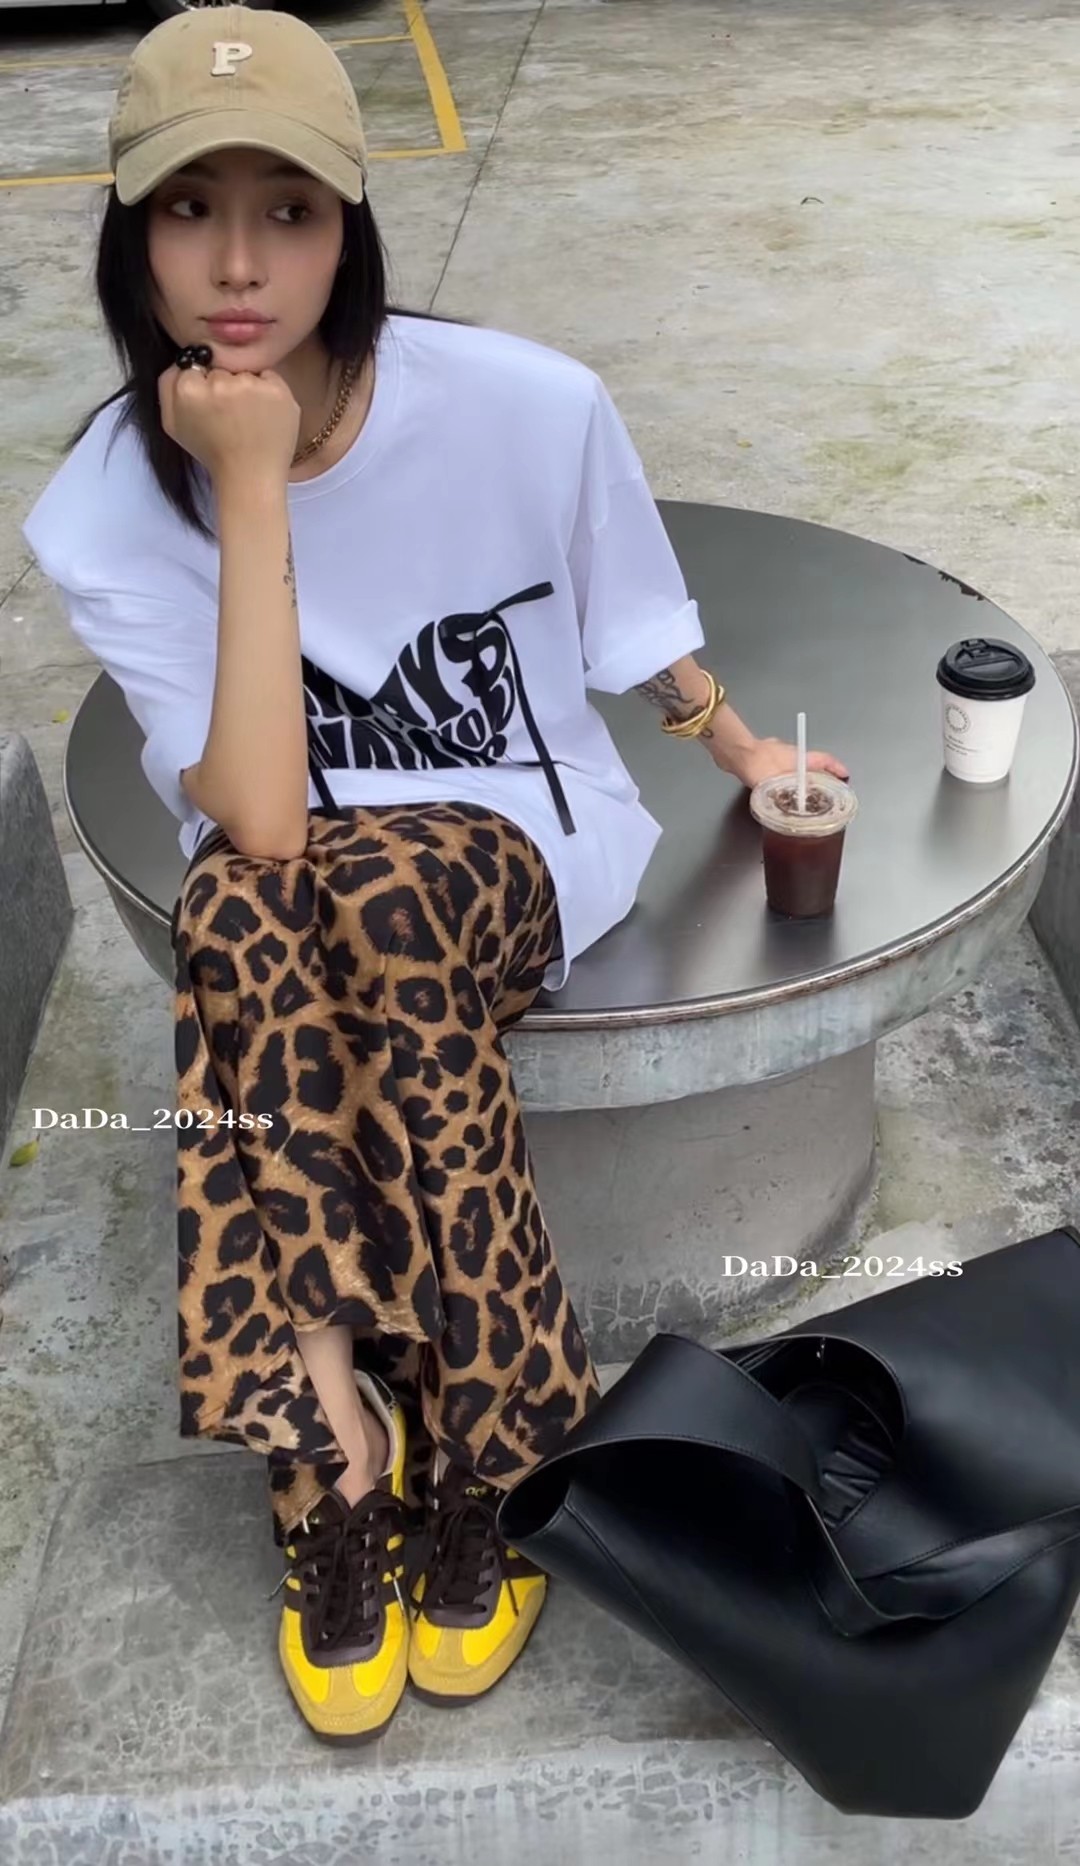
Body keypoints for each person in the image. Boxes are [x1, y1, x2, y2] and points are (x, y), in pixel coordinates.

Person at [21, 7, 849, 1745]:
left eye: (289, 210)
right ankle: (399, 1434)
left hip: (522, 847)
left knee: (358, 894)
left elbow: (627, 614)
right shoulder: (104, 505)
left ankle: (399, 1443)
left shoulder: (527, 407)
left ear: (351, 227)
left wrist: (727, 741)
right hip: (291, 901)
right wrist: (251, 490)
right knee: (254, 896)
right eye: (188, 209)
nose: (237, 265)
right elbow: (260, 819)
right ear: (129, 233)